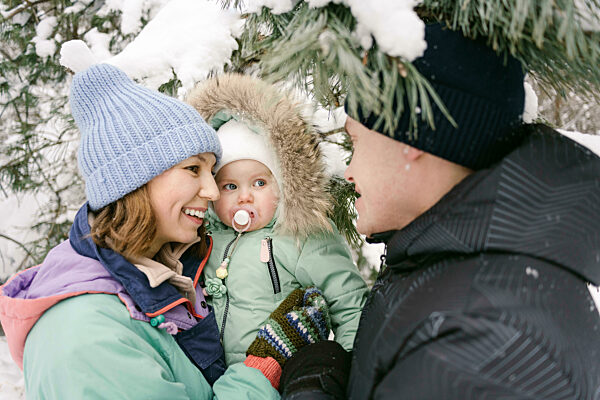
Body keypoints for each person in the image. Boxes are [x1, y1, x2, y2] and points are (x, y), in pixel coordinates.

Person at [279, 23, 600, 399]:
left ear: (411, 131)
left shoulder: (485, 343)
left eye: (356, 141)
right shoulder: (455, 264)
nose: (349, 171)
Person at [0, 62, 330, 398]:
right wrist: (262, 368)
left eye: (212, 171)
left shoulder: (165, 278)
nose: (213, 192)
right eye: (192, 169)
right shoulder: (88, 337)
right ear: (133, 181)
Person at [185, 73, 369, 366]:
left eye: (259, 183)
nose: (244, 197)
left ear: (283, 186)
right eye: (230, 186)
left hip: (283, 379)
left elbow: (348, 304)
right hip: (217, 380)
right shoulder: (202, 242)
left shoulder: (301, 237)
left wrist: (350, 371)